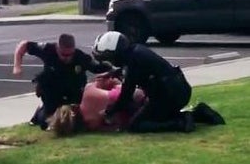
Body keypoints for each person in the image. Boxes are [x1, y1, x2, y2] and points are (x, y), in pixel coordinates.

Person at [91, 31, 225, 133]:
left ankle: (181, 123)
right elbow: (137, 73)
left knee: (135, 125)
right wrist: (115, 73)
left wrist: (109, 112)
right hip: (178, 89)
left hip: (168, 95)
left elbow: (126, 95)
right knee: (159, 115)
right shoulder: (136, 51)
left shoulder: (133, 61)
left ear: (116, 53)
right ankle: (199, 113)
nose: (110, 62)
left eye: (109, 58)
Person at [13, 33, 113, 129]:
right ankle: (40, 112)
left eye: (70, 54)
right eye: (64, 54)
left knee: (77, 121)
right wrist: (17, 66)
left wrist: (112, 69)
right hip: (51, 88)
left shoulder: (80, 57)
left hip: (74, 90)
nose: (67, 58)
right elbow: (24, 45)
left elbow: (98, 67)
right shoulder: (47, 49)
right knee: (47, 122)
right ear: (57, 48)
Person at [48, 75, 147, 136]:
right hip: (130, 94)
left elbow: (115, 128)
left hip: (130, 113)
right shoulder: (88, 90)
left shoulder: (91, 124)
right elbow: (106, 79)